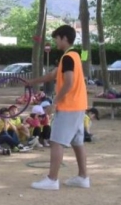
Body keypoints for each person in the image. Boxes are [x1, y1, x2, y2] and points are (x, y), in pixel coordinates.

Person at [27, 25, 89, 190]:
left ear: (64, 38)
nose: (55, 41)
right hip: (79, 105)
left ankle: (52, 179)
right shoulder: (72, 56)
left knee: (56, 142)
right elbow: (52, 75)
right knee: (77, 142)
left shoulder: (68, 57)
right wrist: (31, 82)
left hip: (69, 106)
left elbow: (68, 82)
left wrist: (54, 103)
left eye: (56, 38)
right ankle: (83, 177)